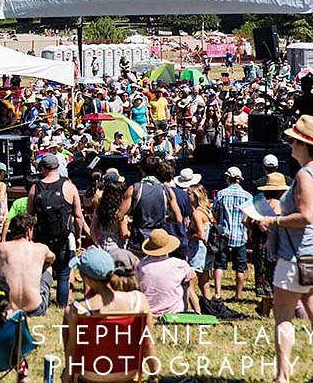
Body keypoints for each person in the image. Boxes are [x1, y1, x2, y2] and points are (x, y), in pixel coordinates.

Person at [255, 115, 313, 383]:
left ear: (304, 144)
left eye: (293, 140)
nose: (290, 144)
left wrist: (271, 220)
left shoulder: (305, 174)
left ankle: (282, 376)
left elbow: (305, 215)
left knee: (284, 317)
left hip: (295, 254)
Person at [63, 248, 157, 383]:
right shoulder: (138, 300)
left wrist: (67, 377)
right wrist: (154, 375)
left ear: (87, 279)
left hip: (90, 376)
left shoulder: (78, 309)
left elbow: (72, 349)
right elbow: (148, 344)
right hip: (127, 374)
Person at [27, 153, 87, 308]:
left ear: (42, 168)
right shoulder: (69, 187)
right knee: (63, 273)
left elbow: (29, 215)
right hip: (64, 237)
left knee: (41, 271)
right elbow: (79, 216)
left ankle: (40, 301)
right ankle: (62, 304)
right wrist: (78, 236)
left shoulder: (35, 188)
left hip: (42, 237)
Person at [0, 212, 54, 316]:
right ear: (29, 231)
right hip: (35, 308)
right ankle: (43, 297)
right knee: (48, 266)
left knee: (2, 265)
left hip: (9, 309)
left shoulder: (1, 248)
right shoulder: (41, 248)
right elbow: (52, 258)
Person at [250, 172, 288, 317]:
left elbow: (246, 222)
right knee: (278, 278)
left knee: (265, 277)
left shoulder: (258, 204)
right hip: (280, 245)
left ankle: (264, 309)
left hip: (261, 246)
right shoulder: (284, 206)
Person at [212, 165, 252, 301]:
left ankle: (217, 293)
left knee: (219, 265)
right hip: (240, 234)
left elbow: (215, 212)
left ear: (228, 178)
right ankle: (239, 294)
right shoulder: (248, 196)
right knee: (240, 267)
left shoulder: (221, 194)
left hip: (224, 233)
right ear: (240, 180)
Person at [136, 229, 197, 316]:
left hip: (148, 311)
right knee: (187, 283)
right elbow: (192, 277)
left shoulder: (141, 265)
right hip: (175, 311)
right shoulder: (179, 264)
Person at [89, 168, 128, 251]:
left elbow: (92, 229)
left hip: (103, 245)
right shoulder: (120, 213)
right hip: (117, 248)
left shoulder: (100, 209)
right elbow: (123, 234)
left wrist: (97, 244)